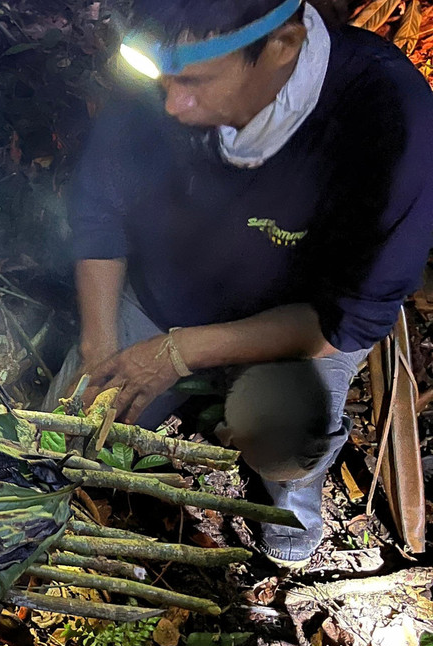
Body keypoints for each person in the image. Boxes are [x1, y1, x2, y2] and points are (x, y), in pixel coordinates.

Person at [47, 0, 433, 567]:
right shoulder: (172, 55)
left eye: (196, 83)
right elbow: (99, 208)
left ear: (281, 47)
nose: (173, 105)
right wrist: (98, 344)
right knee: (68, 431)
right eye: (165, 79)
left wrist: (178, 354)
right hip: (164, 294)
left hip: (289, 329)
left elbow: (349, 319)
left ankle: (291, 489)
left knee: (285, 434)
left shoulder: (389, 118)